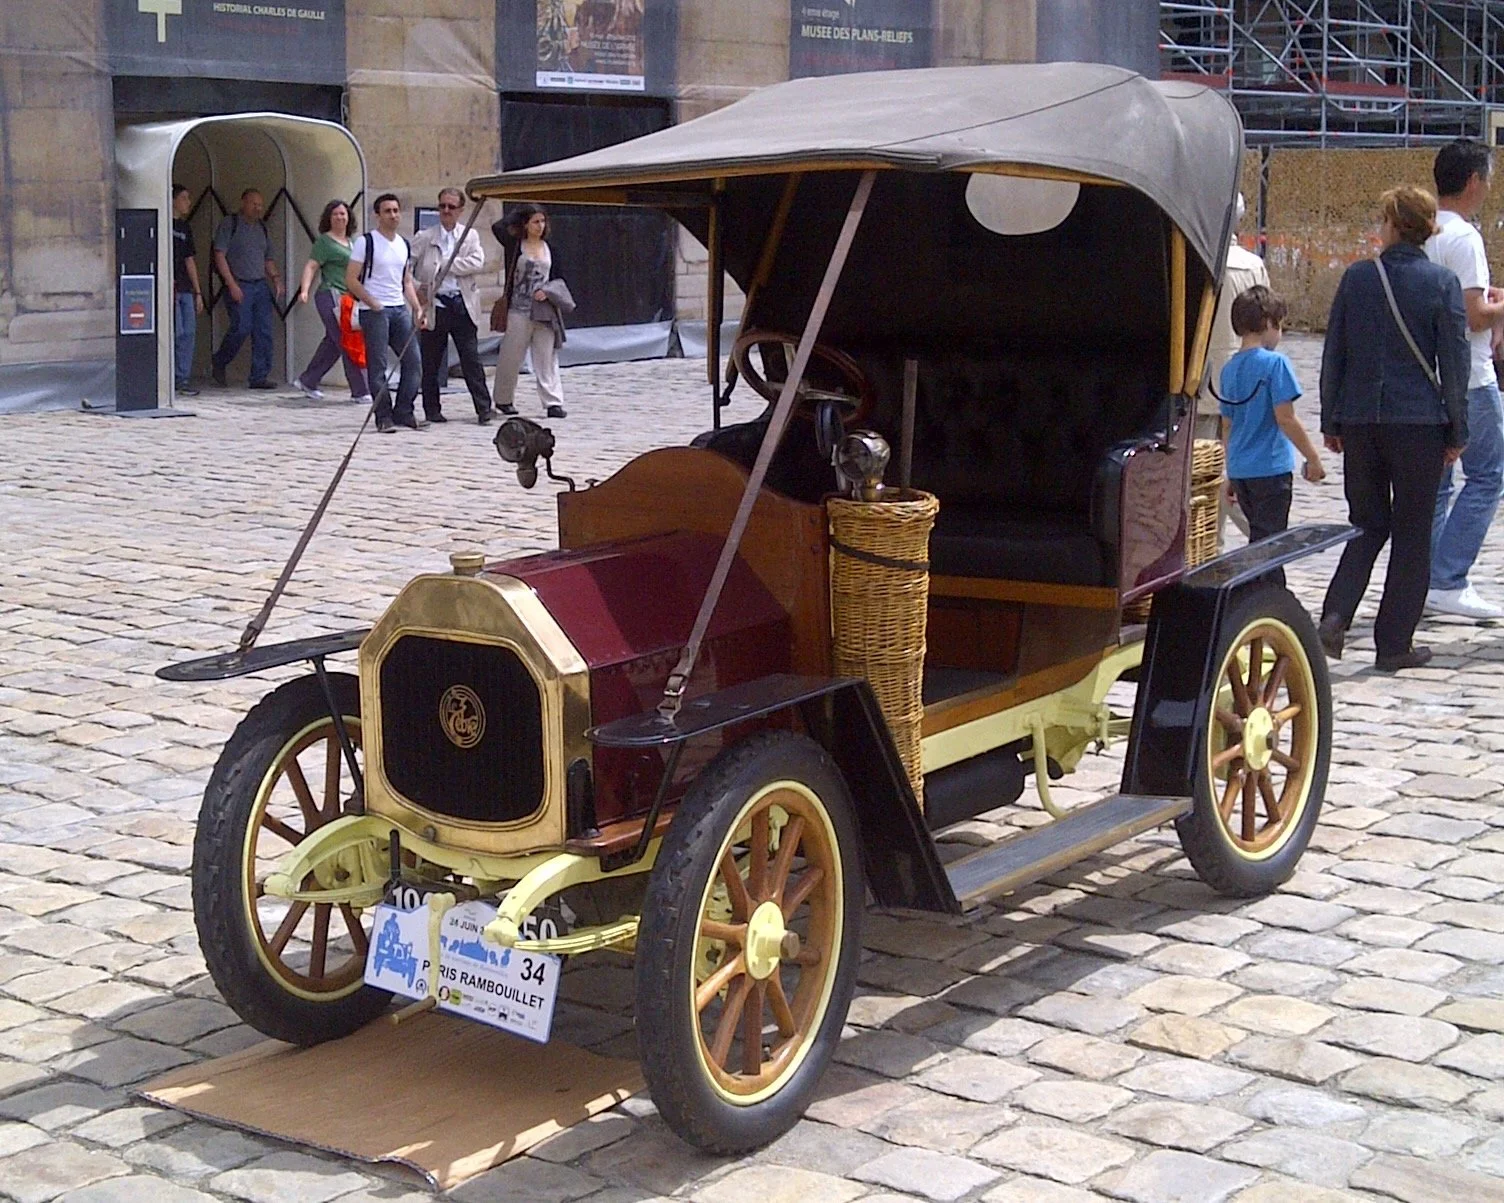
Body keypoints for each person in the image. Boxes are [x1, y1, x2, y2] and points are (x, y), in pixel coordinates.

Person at [1318, 185, 1470, 672]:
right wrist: (1457, 429)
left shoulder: (1358, 278)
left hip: (1361, 418)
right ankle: (1393, 642)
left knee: (1365, 522)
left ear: (1390, 223)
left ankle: (1336, 616)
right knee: (1411, 532)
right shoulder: (1442, 283)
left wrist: (1331, 417)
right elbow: (1454, 364)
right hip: (1418, 422)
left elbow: (1334, 354)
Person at [1424, 139, 1504, 620]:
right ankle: (1448, 575)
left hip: (1428, 374)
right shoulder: (1466, 238)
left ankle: (1429, 574)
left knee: (1439, 483)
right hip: (1469, 376)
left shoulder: (1424, 229)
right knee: (1488, 474)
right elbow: (1475, 317)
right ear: (1474, 181)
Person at [1218, 285, 1326, 585]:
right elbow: (1286, 419)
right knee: (1271, 550)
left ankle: (1261, 601)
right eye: (1280, 326)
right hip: (1271, 469)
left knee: (1259, 540)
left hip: (1241, 470)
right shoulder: (1275, 364)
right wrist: (1313, 458)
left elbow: (1227, 425)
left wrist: (1230, 471)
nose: (1280, 334)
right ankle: (1269, 604)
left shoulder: (1228, 370)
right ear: (1268, 323)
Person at [411, 188, 495, 425]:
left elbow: (476, 262)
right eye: (442, 206)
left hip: (461, 303)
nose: (446, 211)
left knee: (471, 358)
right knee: (431, 360)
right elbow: (407, 267)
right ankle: (432, 409)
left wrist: (447, 264)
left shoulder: (470, 236)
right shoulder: (425, 237)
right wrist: (418, 288)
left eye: (451, 207)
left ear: (460, 210)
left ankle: (483, 408)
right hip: (435, 304)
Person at [346, 193, 426, 434]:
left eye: (395, 210)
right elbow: (350, 279)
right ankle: (383, 416)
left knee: (414, 363)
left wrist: (417, 307)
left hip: (398, 308)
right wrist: (372, 302)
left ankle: (404, 410)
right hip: (375, 311)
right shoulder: (366, 242)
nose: (393, 215)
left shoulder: (403, 243)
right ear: (377, 215)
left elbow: (406, 280)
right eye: (387, 211)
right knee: (378, 365)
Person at [491, 204, 569, 419]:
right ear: (525, 224)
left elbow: (559, 278)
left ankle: (553, 401)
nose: (540, 226)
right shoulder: (515, 245)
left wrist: (548, 291)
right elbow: (498, 227)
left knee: (546, 356)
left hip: (544, 310)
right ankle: (504, 399)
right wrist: (521, 212)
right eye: (535, 221)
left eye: (542, 221)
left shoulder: (550, 248)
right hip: (518, 309)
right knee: (511, 355)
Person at [294, 200, 370, 405]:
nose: (340, 217)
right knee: (346, 340)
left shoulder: (353, 242)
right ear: (329, 217)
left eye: (343, 214)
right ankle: (360, 390)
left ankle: (308, 380)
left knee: (333, 342)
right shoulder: (324, 242)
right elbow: (311, 266)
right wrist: (304, 290)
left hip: (348, 297)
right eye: (336, 214)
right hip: (330, 295)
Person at [210, 188, 283, 389]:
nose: (258, 208)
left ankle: (259, 376)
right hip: (239, 283)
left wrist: (276, 278)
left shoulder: (262, 228)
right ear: (244, 203)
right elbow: (219, 254)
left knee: (264, 331)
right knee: (241, 327)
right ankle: (220, 361)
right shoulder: (230, 224)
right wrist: (231, 284)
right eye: (254, 204)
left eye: (260, 205)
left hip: (260, 285)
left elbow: (267, 258)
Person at [170, 184, 203, 396]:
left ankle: (183, 378)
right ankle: (170, 376)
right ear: (172, 200)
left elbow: (189, 259)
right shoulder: (163, 224)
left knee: (188, 332)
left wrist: (198, 291)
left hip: (185, 288)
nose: (188, 203)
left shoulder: (184, 228)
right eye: (184, 198)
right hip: (171, 287)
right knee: (176, 331)